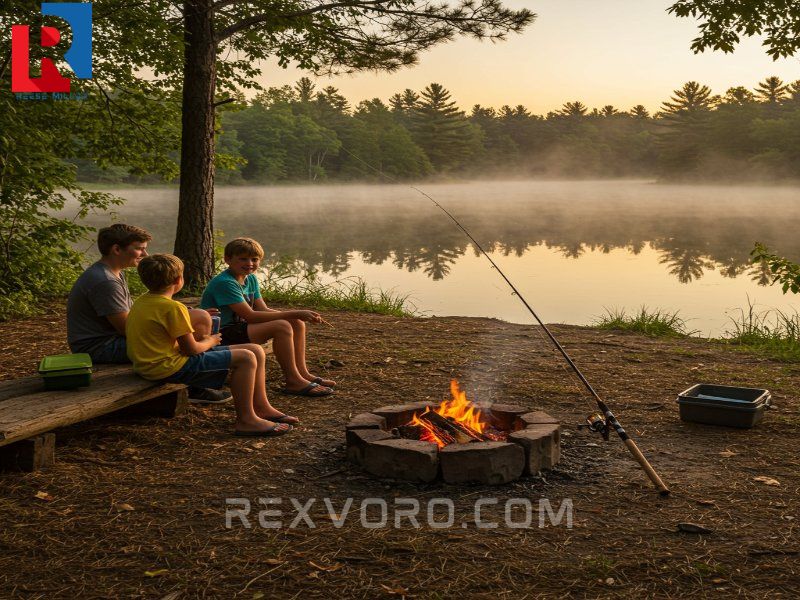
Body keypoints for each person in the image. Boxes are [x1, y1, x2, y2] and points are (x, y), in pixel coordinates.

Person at [126, 254, 296, 436]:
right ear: (178, 279)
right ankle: (246, 420)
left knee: (254, 349)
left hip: (148, 364)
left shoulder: (142, 302)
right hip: (167, 367)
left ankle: (261, 407)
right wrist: (211, 340)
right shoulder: (173, 308)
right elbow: (190, 349)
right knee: (246, 358)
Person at [66, 224, 230, 404]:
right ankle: (193, 383)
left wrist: (183, 314)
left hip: (109, 339)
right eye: (139, 249)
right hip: (99, 346)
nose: (145, 254)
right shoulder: (105, 282)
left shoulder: (112, 273)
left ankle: (206, 371)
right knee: (199, 321)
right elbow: (127, 328)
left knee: (199, 317)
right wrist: (178, 320)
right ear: (117, 249)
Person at [200, 237, 336, 397]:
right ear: (228, 259)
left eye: (254, 259)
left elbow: (262, 309)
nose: (250, 263)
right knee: (282, 326)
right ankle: (293, 381)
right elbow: (250, 316)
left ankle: (302, 374)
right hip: (221, 333)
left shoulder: (250, 278)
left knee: (296, 322)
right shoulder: (225, 282)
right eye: (243, 259)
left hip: (238, 328)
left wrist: (296, 316)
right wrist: (296, 312)